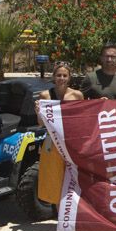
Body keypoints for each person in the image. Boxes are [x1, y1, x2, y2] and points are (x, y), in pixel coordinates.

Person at [36, 61, 83, 206]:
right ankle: (59, 216)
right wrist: (38, 111)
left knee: (72, 178)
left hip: (71, 142)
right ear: (54, 77)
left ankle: (71, 213)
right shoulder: (45, 95)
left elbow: (82, 120)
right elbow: (41, 123)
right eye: (58, 75)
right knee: (54, 179)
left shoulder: (77, 95)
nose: (61, 78)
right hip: (52, 141)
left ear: (69, 78)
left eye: (64, 75)